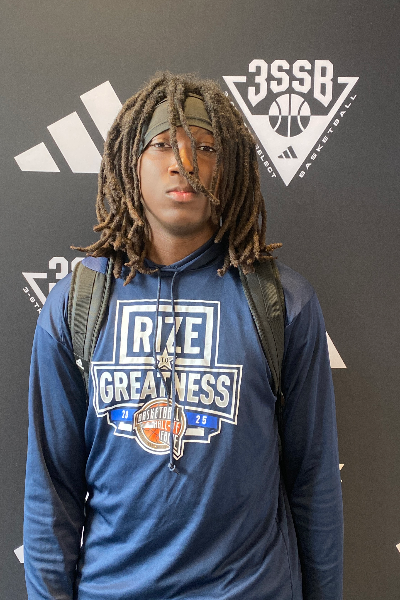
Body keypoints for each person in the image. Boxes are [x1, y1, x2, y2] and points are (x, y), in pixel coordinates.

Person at [24, 72, 343, 600]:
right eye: (162, 144)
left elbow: (314, 481)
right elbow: (51, 490)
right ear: (130, 162)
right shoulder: (76, 303)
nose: (185, 163)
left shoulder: (283, 302)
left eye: (206, 147)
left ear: (231, 167)